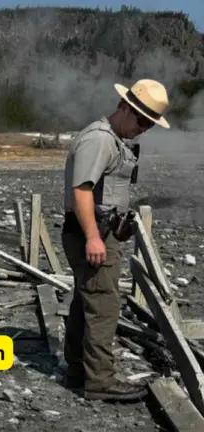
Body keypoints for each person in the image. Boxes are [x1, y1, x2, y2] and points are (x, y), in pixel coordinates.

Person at [61, 79, 170, 402]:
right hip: (91, 233)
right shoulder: (100, 140)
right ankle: (100, 381)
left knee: (87, 301)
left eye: (149, 124)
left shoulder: (112, 139)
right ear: (125, 108)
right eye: (141, 121)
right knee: (104, 304)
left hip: (97, 230)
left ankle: (79, 370)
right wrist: (94, 236)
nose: (144, 129)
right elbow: (82, 190)